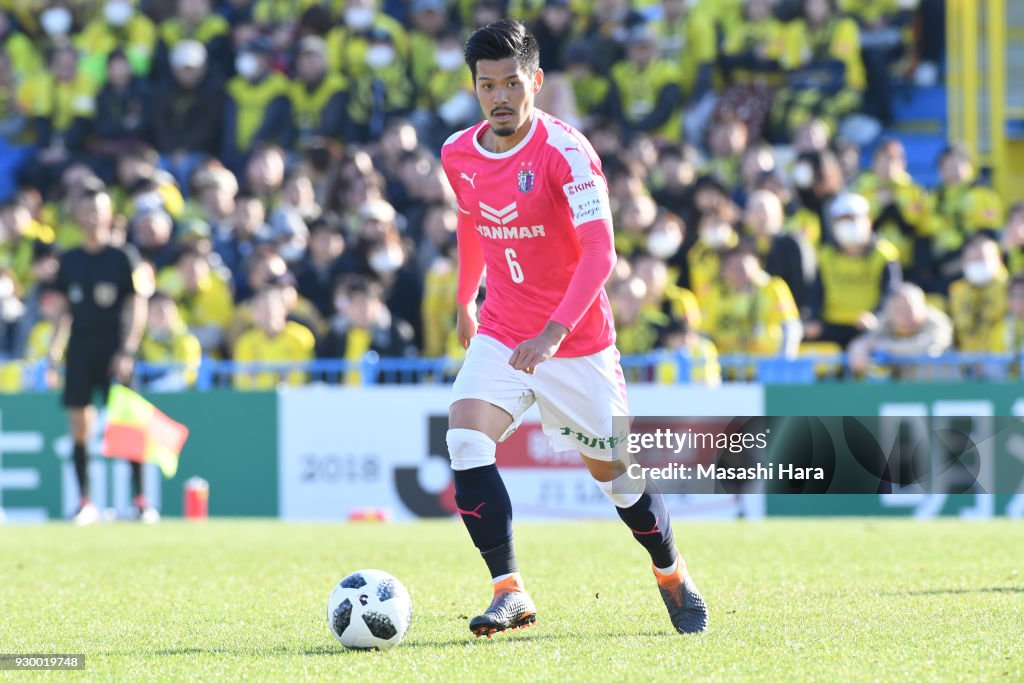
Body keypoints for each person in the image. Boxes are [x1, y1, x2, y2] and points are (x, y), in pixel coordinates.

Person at [439, 20, 707, 638]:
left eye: (512, 83)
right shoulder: (458, 152)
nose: (500, 96)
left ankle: (670, 570)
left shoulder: (567, 152)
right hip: (504, 328)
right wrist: (465, 300)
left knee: (616, 478)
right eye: (487, 86)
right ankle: (510, 592)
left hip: (575, 341)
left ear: (536, 82)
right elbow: (474, 226)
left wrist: (555, 334)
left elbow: (600, 254)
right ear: (474, 89)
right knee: (466, 440)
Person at [45, 183, 153, 525]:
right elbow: (63, 312)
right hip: (80, 349)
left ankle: (140, 501)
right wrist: (54, 352)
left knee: (126, 426)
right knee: (80, 426)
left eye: (99, 211)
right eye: (87, 211)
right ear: (77, 217)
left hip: (114, 350)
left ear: (110, 216)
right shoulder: (70, 260)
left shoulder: (123, 258)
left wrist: (128, 350)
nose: (93, 218)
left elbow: (138, 305)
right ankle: (85, 502)